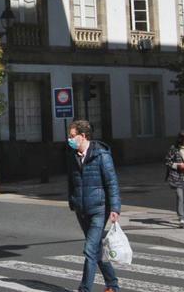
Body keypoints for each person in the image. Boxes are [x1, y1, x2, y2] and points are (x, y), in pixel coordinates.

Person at [67, 120, 121, 292]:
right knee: (96, 249)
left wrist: (114, 208)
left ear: (83, 136)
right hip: (81, 209)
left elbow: (112, 182)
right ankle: (112, 285)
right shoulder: (72, 156)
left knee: (89, 250)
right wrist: (73, 200)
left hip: (99, 208)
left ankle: (85, 289)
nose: (69, 139)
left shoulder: (101, 155)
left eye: (72, 136)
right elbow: (72, 181)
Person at [165, 132, 184, 228]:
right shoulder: (174, 149)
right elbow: (167, 161)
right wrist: (178, 165)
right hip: (177, 177)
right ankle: (181, 218)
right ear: (182, 139)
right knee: (180, 197)